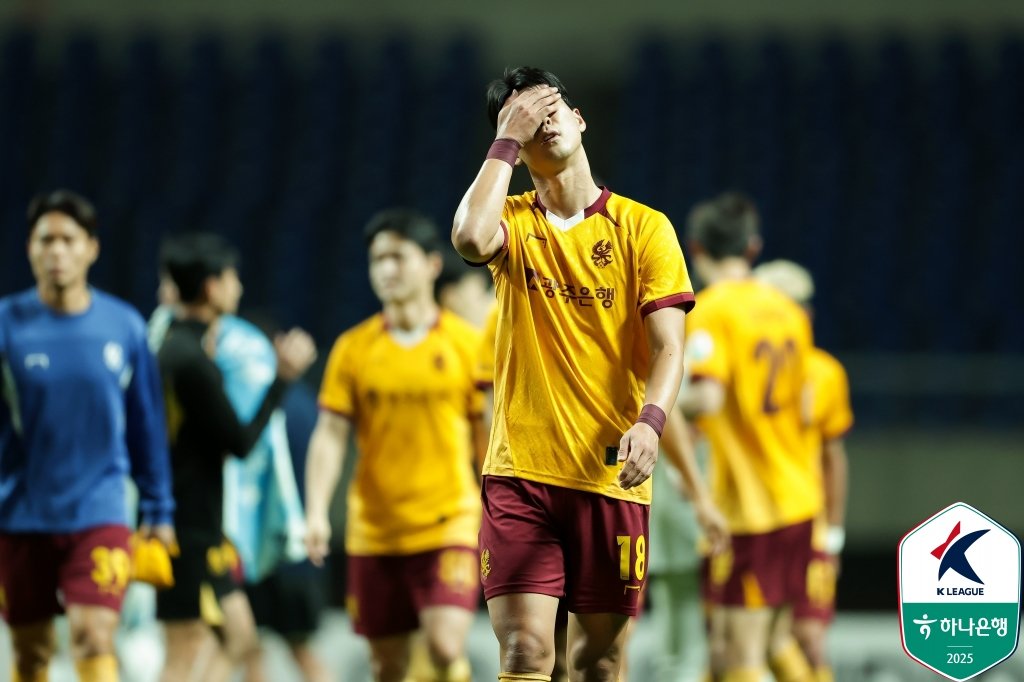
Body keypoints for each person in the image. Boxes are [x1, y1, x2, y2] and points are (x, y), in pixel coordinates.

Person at [451, 66, 695, 682]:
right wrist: (505, 140)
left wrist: (652, 422)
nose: (544, 121)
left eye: (552, 106)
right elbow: (470, 238)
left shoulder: (645, 227)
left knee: (598, 663)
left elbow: (669, 347)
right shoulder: (512, 222)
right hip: (520, 475)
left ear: (580, 118)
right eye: (526, 117)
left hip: (608, 474)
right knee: (526, 652)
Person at [0, 190, 176, 682]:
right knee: (32, 650)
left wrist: (159, 510)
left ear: (92, 249)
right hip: (20, 514)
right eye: (46, 240)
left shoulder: (124, 328)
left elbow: (146, 426)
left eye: (69, 240)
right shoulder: (6, 326)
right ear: (30, 249)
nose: (57, 251)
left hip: (100, 509)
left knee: (94, 635)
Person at [305, 209, 484, 682]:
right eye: (377, 259)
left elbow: (486, 436)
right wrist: (316, 510)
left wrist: (500, 506)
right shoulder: (353, 348)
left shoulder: (468, 345)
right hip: (375, 529)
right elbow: (330, 435)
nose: (386, 269)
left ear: (431, 265)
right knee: (387, 665)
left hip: (448, 522)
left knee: (444, 645)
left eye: (398, 257)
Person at [156, 233, 317, 682]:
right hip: (185, 526)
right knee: (184, 649)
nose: (239, 287)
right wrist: (281, 380)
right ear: (212, 287)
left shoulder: (176, 349)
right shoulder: (189, 359)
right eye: (232, 278)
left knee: (237, 635)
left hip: (198, 525)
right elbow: (240, 442)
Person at [676, 192, 818, 682]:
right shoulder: (790, 312)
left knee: (742, 656)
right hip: (798, 497)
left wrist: (659, 401)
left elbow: (708, 399)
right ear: (752, 247)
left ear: (696, 249)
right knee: (766, 643)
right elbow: (805, 405)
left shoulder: (712, 311)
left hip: (753, 507)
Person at [753, 260, 853, 682]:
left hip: (806, 522)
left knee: (808, 636)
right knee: (747, 639)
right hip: (752, 519)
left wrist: (834, 533)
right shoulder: (744, 366)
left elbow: (833, 457)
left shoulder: (825, 373)